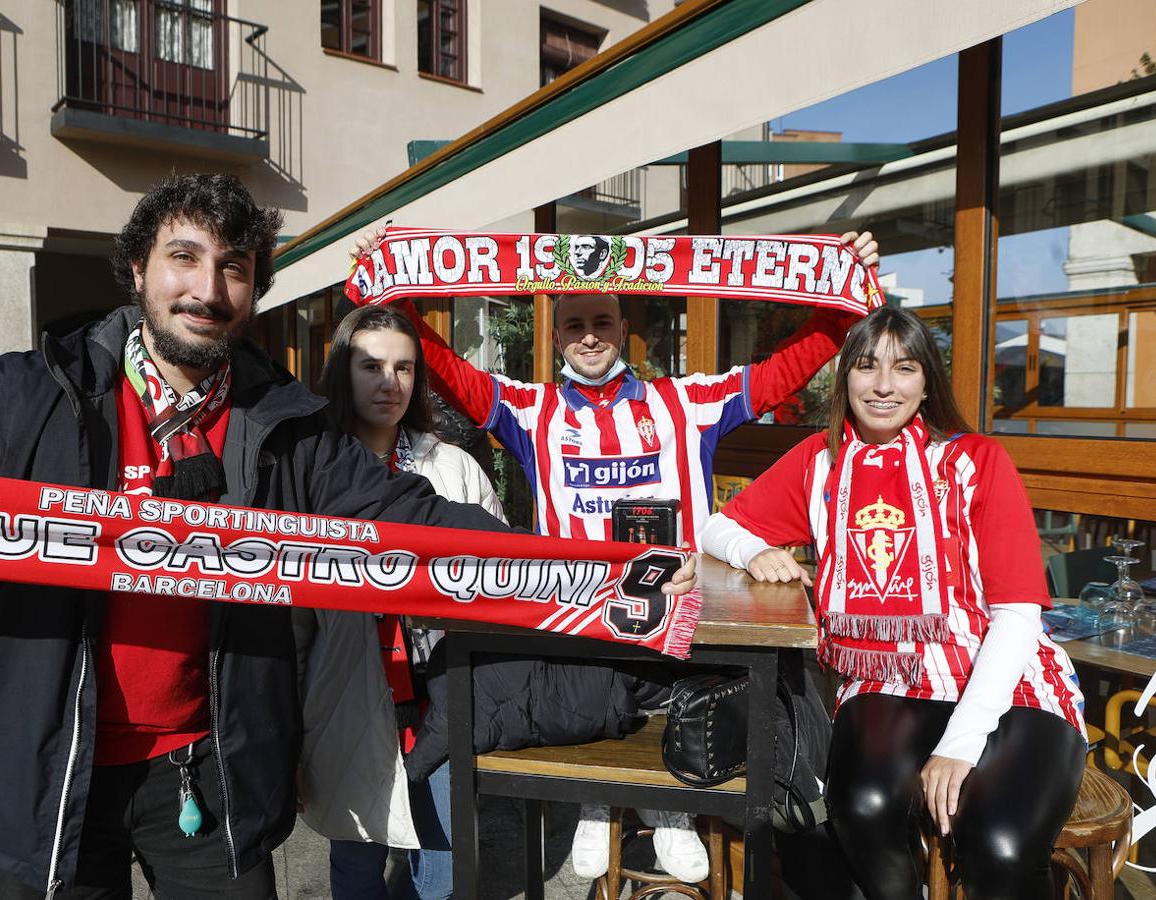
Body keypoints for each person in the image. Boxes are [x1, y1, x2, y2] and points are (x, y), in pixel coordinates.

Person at [0, 174, 528, 899]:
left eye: (234, 267)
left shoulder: (290, 425)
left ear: (254, 291)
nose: (208, 288)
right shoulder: (31, 391)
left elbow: (406, 512)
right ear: (138, 269)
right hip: (38, 772)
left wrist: (580, 572)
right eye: (184, 257)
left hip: (211, 771)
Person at [352, 225, 880, 883]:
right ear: (556, 337)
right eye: (575, 324)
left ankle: (672, 810)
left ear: (625, 329)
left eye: (603, 320)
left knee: (682, 707)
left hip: (681, 638)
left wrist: (838, 289)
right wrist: (397, 290)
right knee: (578, 703)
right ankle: (599, 802)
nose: (591, 335)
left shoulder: (689, 402)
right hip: (581, 635)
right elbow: (447, 370)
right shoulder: (529, 410)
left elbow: (795, 364)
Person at [699, 306, 1087, 899]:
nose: (883, 385)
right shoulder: (819, 463)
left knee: (1001, 847)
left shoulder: (976, 462)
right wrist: (755, 552)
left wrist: (960, 744)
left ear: (927, 381)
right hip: (885, 678)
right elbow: (716, 528)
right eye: (866, 366)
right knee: (861, 810)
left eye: (904, 368)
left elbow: (1016, 616)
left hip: (1004, 677)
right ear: (844, 378)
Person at [294, 304, 507, 900]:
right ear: (341, 370)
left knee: (442, 858)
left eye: (405, 368)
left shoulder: (454, 468)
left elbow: (507, 574)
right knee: (357, 858)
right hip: (348, 689)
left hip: (441, 691)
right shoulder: (309, 468)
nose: (390, 383)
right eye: (372, 366)